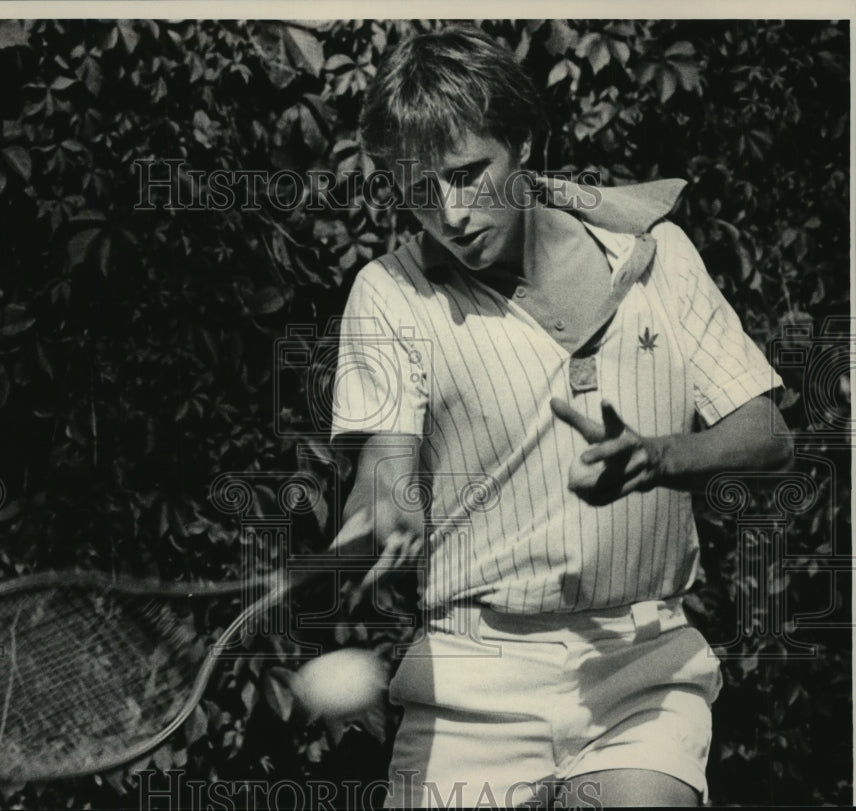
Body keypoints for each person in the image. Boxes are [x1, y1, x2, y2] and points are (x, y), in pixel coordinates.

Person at [328, 26, 793, 809]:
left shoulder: (657, 254)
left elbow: (769, 434)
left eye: (467, 174)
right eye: (418, 194)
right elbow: (386, 471)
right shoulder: (389, 292)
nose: (449, 213)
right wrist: (381, 515)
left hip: (640, 664)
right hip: (469, 676)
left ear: (525, 144)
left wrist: (662, 455)